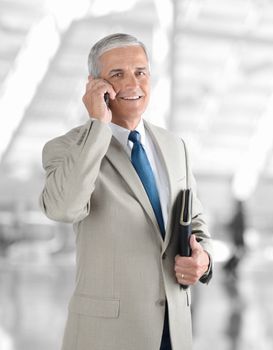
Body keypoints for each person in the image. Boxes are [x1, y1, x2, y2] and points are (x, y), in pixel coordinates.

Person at [39, 33, 213, 350]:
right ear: (94, 85)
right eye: (117, 74)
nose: (132, 83)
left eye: (140, 72)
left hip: (174, 334)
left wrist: (204, 258)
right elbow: (63, 208)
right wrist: (97, 125)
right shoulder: (67, 148)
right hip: (106, 338)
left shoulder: (175, 148)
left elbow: (196, 222)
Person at [223, 199, 246, 280]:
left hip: (238, 237)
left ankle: (230, 268)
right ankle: (228, 267)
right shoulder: (239, 215)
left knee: (238, 254)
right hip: (238, 237)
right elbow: (233, 226)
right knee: (239, 253)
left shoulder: (239, 214)